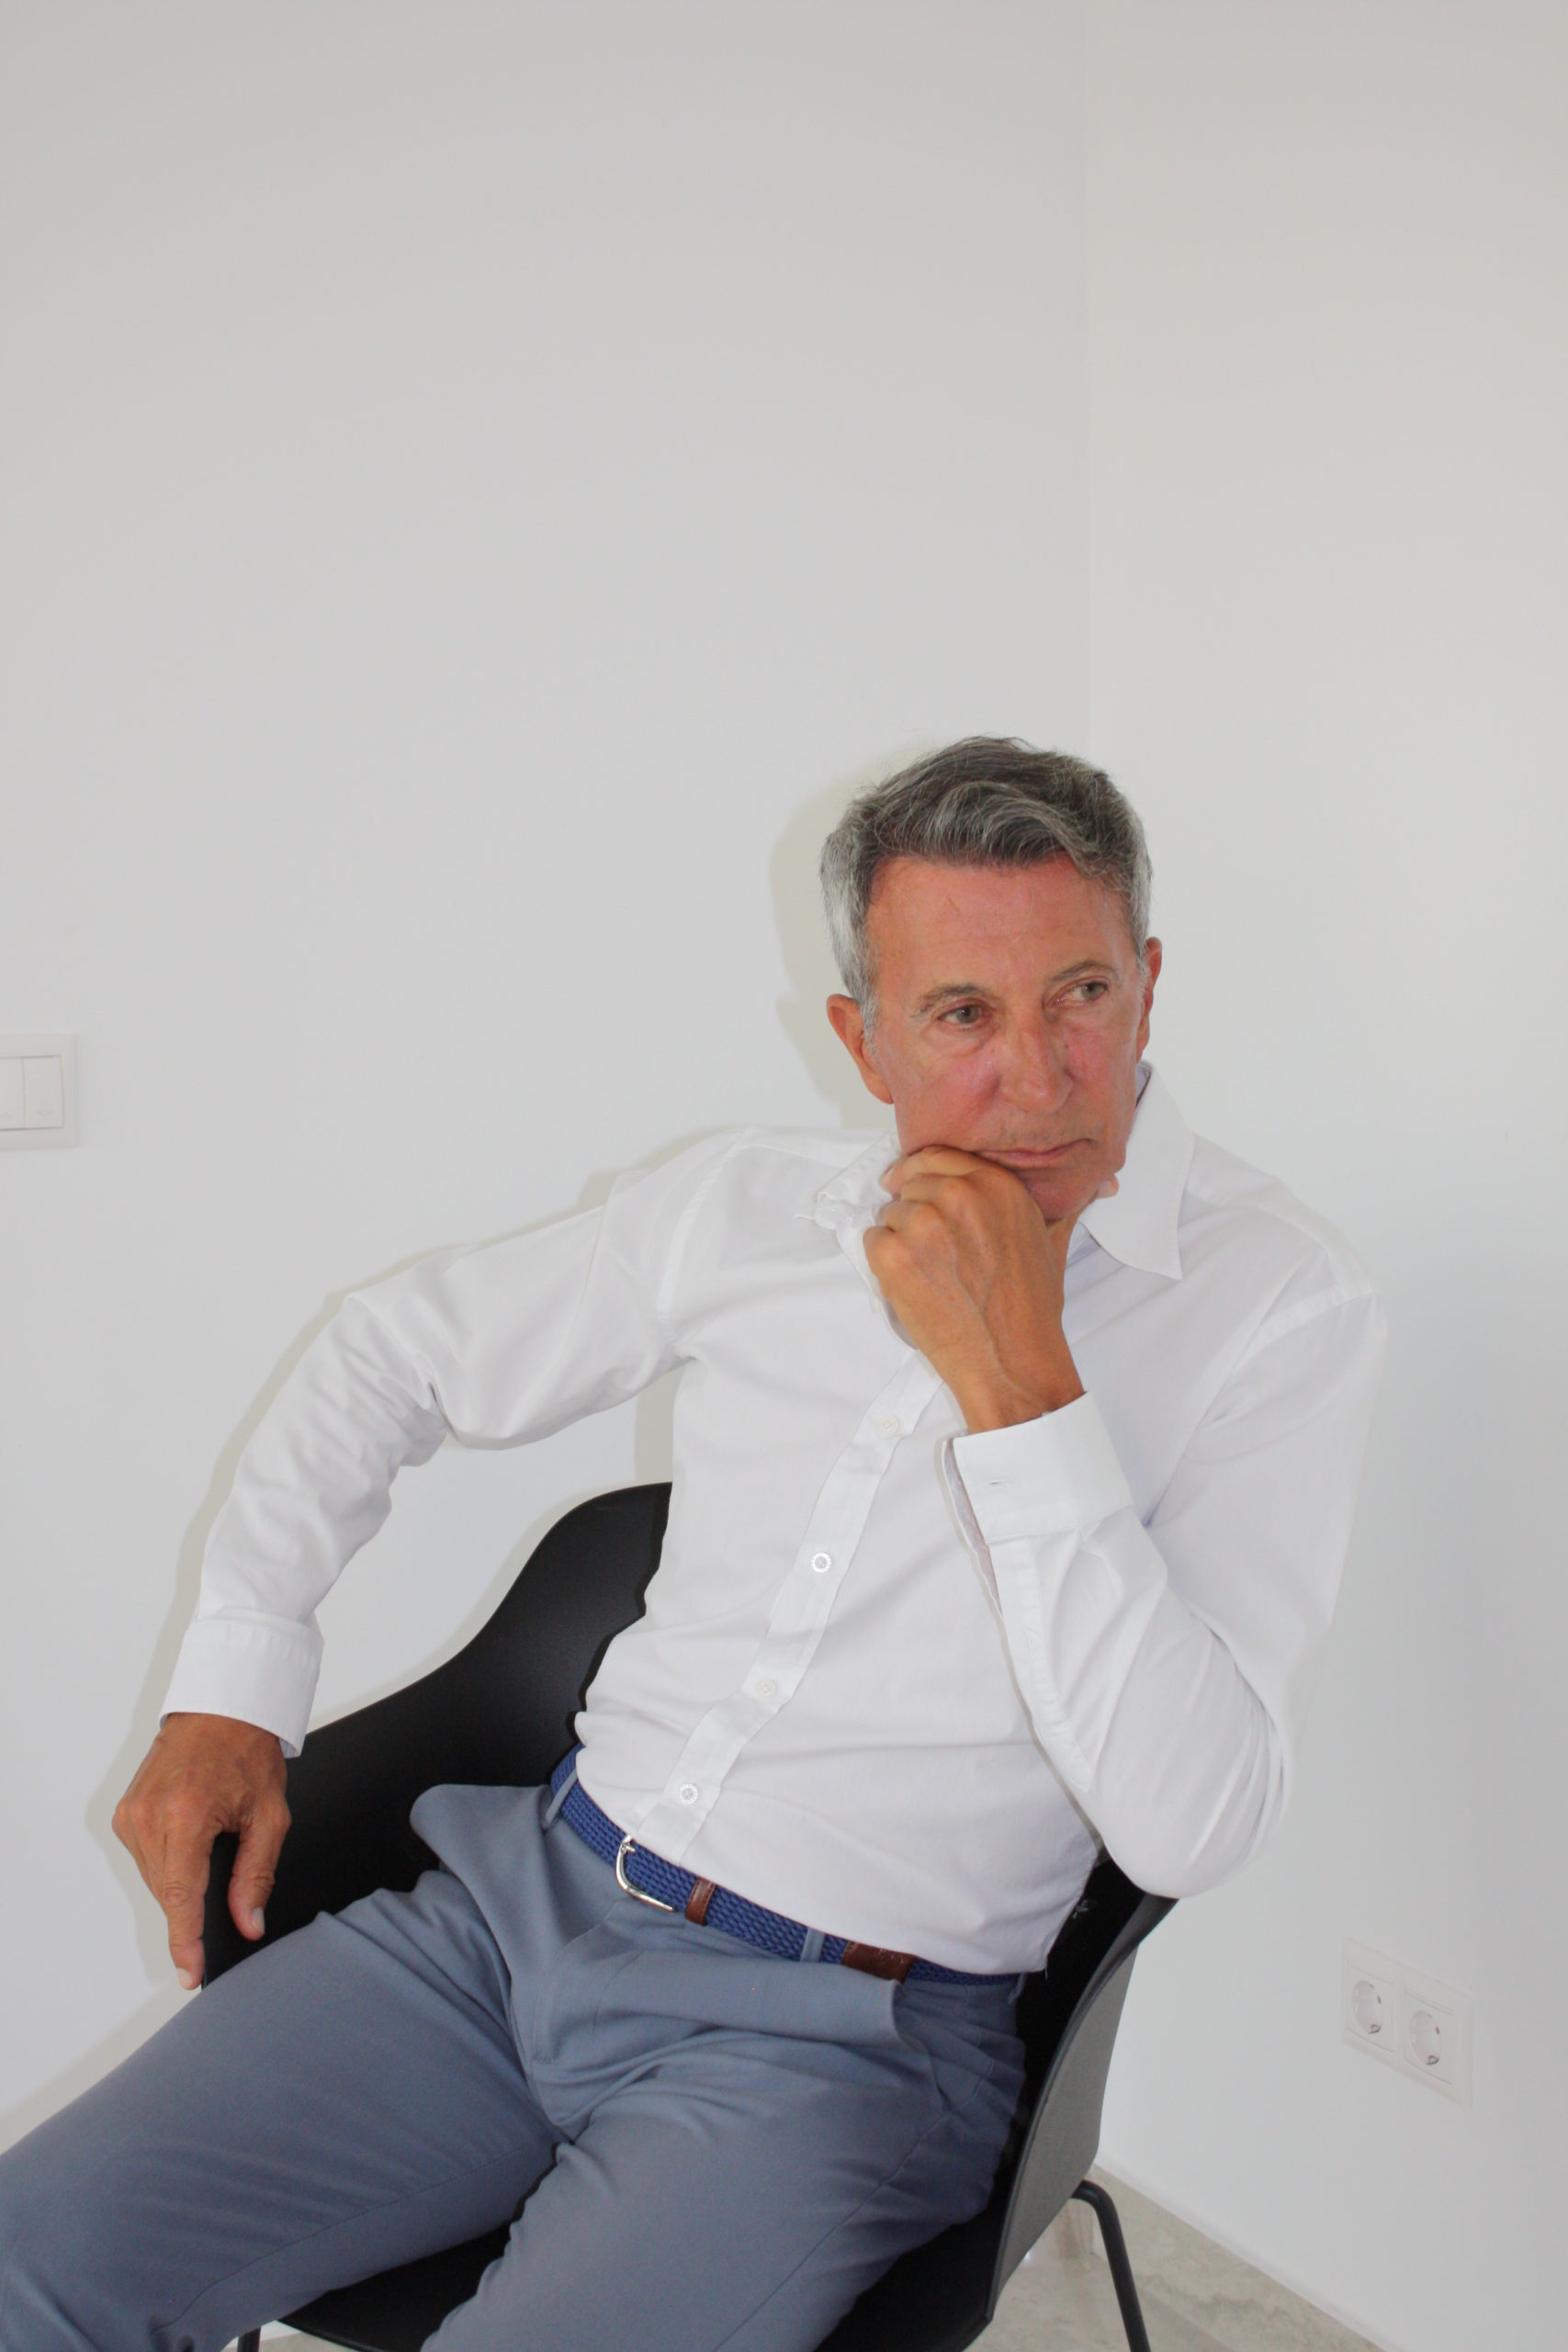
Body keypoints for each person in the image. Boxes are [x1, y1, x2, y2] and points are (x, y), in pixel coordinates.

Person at [0, 738, 1388, 2352]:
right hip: (513, 1918)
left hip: (845, 2044)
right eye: (961, 1014)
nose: (1037, 1075)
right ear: (862, 1042)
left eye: (1079, 993)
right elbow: (388, 1356)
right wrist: (232, 1684)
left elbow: (1194, 1823)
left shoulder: (1279, 1306)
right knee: (31, 2256)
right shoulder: (743, 1209)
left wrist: (1023, 1386)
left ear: (1147, 985)